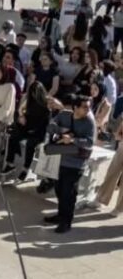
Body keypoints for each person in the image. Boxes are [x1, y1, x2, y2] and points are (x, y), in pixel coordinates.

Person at [45, 95, 95, 234]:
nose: (88, 109)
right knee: (59, 190)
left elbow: (90, 142)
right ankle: (60, 215)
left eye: (89, 107)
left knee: (69, 193)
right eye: (84, 107)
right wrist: (61, 131)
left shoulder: (89, 122)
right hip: (60, 159)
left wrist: (73, 139)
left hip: (76, 163)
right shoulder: (64, 116)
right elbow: (51, 125)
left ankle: (66, 222)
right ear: (75, 108)